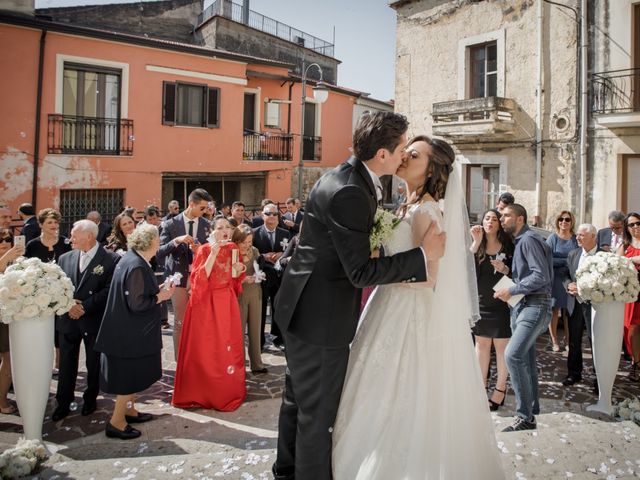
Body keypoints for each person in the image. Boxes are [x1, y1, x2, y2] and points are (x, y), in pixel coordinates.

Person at [271, 112, 445, 480]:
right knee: (316, 414)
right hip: (321, 319)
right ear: (382, 154)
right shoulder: (351, 191)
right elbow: (360, 273)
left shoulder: (344, 177)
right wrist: (421, 256)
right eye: (402, 149)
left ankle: (286, 471)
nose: (405, 156)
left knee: (297, 402)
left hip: (302, 307)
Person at [332, 135, 503, 479]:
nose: (405, 157)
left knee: (403, 394)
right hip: (389, 306)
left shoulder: (427, 211)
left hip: (409, 312)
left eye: (414, 155)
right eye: (406, 152)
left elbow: (432, 278)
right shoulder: (406, 205)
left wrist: (377, 277)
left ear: (431, 170)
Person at [95, 224, 175, 439]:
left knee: (133, 375)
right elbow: (137, 304)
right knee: (127, 378)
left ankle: (129, 410)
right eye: (157, 239)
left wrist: (159, 291)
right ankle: (117, 422)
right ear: (149, 242)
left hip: (127, 331)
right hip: (129, 335)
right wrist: (162, 296)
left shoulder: (132, 260)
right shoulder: (137, 265)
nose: (159, 243)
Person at [172, 217, 247, 410]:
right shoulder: (205, 249)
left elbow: (233, 277)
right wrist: (213, 253)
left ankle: (225, 389)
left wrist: (239, 270)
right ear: (212, 231)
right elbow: (199, 280)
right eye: (219, 228)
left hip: (226, 300)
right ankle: (204, 391)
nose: (224, 231)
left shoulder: (233, 248)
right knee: (207, 346)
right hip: (206, 302)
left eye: (227, 228)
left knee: (226, 344)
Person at [51, 220, 120, 421]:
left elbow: (109, 289)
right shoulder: (65, 258)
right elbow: (57, 285)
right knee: (65, 364)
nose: (70, 238)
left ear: (89, 236)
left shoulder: (110, 259)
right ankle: (63, 402)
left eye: (74, 235)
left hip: (93, 319)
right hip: (68, 318)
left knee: (94, 363)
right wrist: (70, 304)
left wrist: (84, 306)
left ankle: (91, 399)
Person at [494, 203, 553, 432]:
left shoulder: (528, 239)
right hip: (525, 305)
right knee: (526, 361)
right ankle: (531, 410)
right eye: (502, 215)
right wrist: (508, 273)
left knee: (513, 355)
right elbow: (531, 272)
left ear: (520, 219)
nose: (502, 219)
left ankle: (524, 416)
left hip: (534, 305)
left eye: (507, 215)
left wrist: (512, 289)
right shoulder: (524, 240)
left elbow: (541, 276)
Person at [156, 188, 212, 359]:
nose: (205, 212)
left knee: (200, 322)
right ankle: (180, 361)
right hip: (178, 278)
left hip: (199, 279)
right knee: (180, 321)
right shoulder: (170, 224)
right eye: (202, 208)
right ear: (191, 204)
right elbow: (159, 252)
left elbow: (210, 253)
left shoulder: (206, 225)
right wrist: (176, 240)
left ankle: (196, 359)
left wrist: (199, 250)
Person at [470, 208, 514, 411]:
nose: (490, 221)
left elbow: (517, 271)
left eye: (494, 219)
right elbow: (466, 270)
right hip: (481, 303)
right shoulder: (477, 245)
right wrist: (476, 242)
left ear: (499, 224)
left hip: (502, 302)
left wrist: (505, 269)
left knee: (502, 347)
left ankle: (500, 390)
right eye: (487, 218)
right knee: (481, 347)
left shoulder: (508, 245)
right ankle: (480, 387)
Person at [561, 224, 599, 389]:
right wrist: (569, 285)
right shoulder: (573, 254)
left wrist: (585, 288)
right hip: (574, 304)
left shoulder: (603, 256)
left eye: (581, 235)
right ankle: (574, 373)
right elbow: (564, 274)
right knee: (574, 340)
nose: (577, 238)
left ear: (593, 237)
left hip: (595, 306)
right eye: (577, 235)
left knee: (595, 341)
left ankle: (599, 377)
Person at [252, 203, 290, 349]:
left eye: (275, 214)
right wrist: (263, 256)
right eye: (268, 213)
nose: (272, 217)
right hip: (261, 277)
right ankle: (259, 340)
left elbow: (291, 253)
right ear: (262, 215)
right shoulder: (254, 233)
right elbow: (249, 253)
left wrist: (282, 255)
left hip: (279, 278)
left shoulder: (285, 233)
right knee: (260, 309)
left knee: (278, 307)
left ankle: (277, 337)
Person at [232, 224, 267, 374]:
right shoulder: (232, 253)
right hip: (239, 295)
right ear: (237, 240)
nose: (247, 245)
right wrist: (243, 279)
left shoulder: (255, 251)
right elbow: (229, 277)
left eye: (250, 242)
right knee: (238, 332)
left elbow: (259, 267)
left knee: (255, 329)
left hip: (255, 293)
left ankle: (257, 364)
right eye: (244, 242)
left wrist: (261, 274)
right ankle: (238, 364)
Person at [546, 211, 578, 352]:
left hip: (571, 278)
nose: (563, 222)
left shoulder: (575, 239)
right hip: (555, 278)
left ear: (572, 222)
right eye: (561, 219)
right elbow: (547, 259)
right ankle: (554, 341)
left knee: (568, 311)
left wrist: (564, 262)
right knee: (554, 310)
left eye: (567, 219)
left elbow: (578, 258)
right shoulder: (552, 238)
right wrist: (566, 261)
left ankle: (568, 340)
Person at [0, 231, 24, 415]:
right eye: (1, 246)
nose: (5, 248)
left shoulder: (15, 262)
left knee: (8, 358)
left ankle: (1, 400)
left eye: (7, 245)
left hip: (6, 315)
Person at [617, 212, 640, 380]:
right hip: (632, 292)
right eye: (631, 225)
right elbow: (617, 264)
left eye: (638, 223)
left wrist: (630, 260)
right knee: (631, 328)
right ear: (627, 228)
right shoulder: (624, 246)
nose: (635, 227)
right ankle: (636, 363)